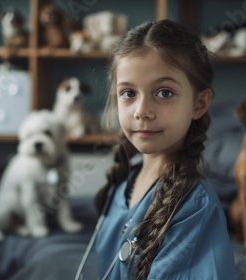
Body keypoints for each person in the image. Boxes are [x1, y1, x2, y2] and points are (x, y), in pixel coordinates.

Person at [94, 19, 237, 279]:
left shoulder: (194, 207)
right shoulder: (123, 184)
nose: (142, 111)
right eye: (128, 93)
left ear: (199, 103)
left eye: (164, 93)